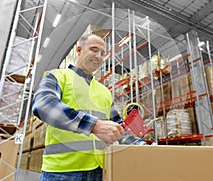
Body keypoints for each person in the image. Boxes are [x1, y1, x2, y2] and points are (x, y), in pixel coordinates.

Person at [32, 33, 145, 181]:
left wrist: (145, 147)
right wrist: (93, 125)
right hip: (62, 172)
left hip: (100, 170)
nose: (98, 56)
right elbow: (44, 105)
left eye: (103, 53)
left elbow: (118, 128)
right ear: (79, 50)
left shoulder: (104, 91)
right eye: (94, 49)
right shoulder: (58, 76)